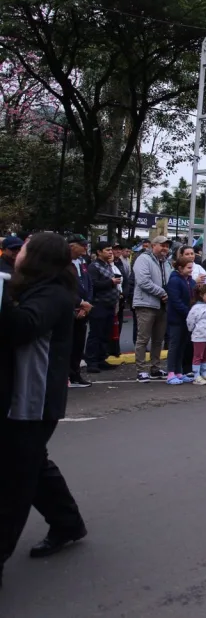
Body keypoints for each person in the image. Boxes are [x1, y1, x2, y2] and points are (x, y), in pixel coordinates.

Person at [0, 232, 88, 588]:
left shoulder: (53, 294)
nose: (17, 252)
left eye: (23, 248)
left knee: (12, 484)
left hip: (31, 402)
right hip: (17, 398)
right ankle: (67, 523)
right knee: (32, 466)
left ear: (35, 256)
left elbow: (21, 328)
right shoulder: (30, 287)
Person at [132, 235, 172, 383]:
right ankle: (141, 370)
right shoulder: (143, 259)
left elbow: (170, 281)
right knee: (143, 338)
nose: (165, 248)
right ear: (152, 245)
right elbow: (143, 281)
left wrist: (169, 294)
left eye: (167, 246)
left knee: (158, 339)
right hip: (146, 304)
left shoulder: (166, 263)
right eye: (162, 245)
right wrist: (162, 293)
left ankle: (155, 368)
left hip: (162, 305)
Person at [84, 242, 121, 374]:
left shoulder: (108, 265)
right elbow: (93, 284)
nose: (110, 252)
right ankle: (92, 361)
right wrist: (111, 282)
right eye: (107, 250)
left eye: (111, 250)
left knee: (105, 334)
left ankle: (101, 359)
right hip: (98, 305)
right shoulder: (94, 267)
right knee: (96, 334)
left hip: (110, 305)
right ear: (99, 252)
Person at [67, 234, 93, 388]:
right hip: (70, 309)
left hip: (83, 309)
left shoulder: (83, 262)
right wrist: (79, 303)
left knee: (78, 344)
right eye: (82, 245)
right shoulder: (63, 263)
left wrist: (87, 303)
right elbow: (66, 287)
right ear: (72, 246)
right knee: (67, 344)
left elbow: (88, 284)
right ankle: (67, 375)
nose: (85, 247)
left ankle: (75, 374)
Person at [165, 257, 196, 385]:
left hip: (186, 319)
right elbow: (175, 301)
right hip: (176, 319)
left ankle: (179, 371)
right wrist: (188, 313)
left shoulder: (190, 281)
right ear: (180, 268)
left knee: (182, 345)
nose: (191, 270)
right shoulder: (174, 281)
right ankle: (170, 372)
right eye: (188, 268)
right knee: (174, 345)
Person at [186, 283, 206, 385]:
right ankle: (196, 376)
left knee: (205, 356)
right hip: (199, 336)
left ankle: (204, 373)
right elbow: (190, 321)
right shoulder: (196, 308)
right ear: (201, 295)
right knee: (198, 356)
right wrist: (193, 330)